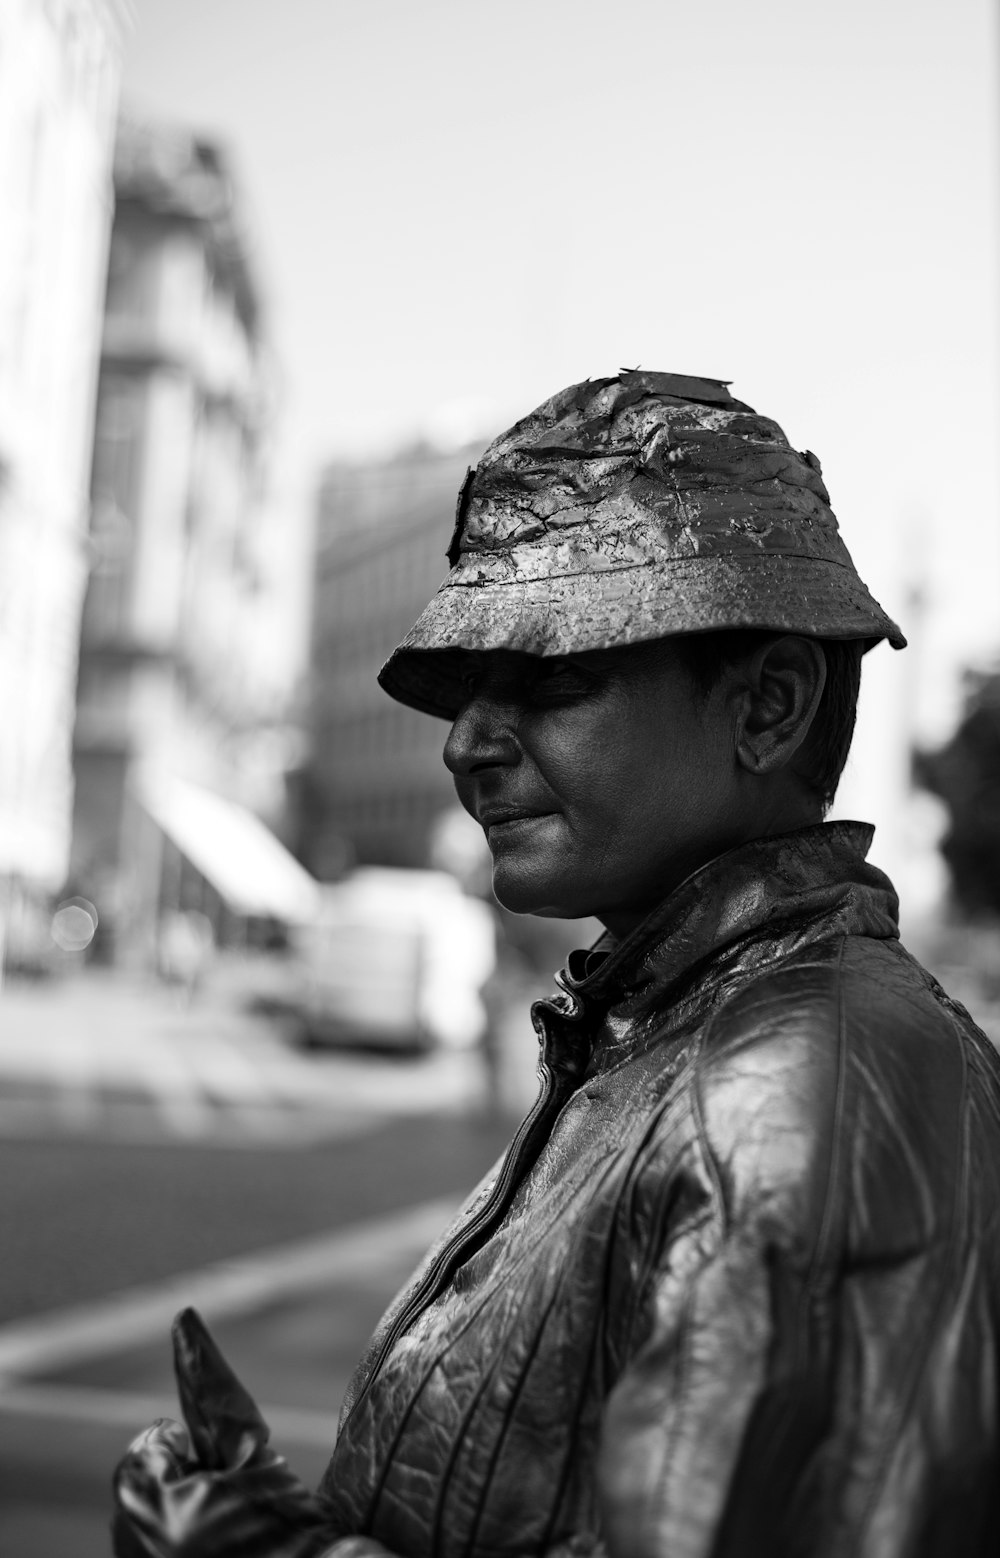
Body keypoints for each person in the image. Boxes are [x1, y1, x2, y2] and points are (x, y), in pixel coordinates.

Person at [113, 371, 1000, 1558]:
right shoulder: (671, 1033)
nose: (469, 744)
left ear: (768, 705)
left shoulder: (802, 1081)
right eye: (473, 689)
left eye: (556, 678)